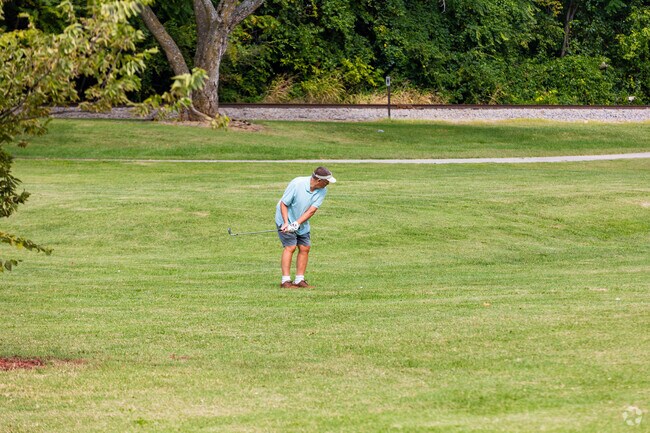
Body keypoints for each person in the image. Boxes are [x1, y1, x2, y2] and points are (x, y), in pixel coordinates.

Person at [275, 166, 336, 288]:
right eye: (327, 181)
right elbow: (284, 203)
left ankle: (299, 280)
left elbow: (311, 211)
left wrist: (297, 223)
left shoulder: (322, 190)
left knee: (305, 247)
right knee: (290, 247)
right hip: (285, 219)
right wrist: (287, 223)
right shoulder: (297, 183)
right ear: (319, 180)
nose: (328, 183)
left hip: (301, 222)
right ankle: (285, 281)